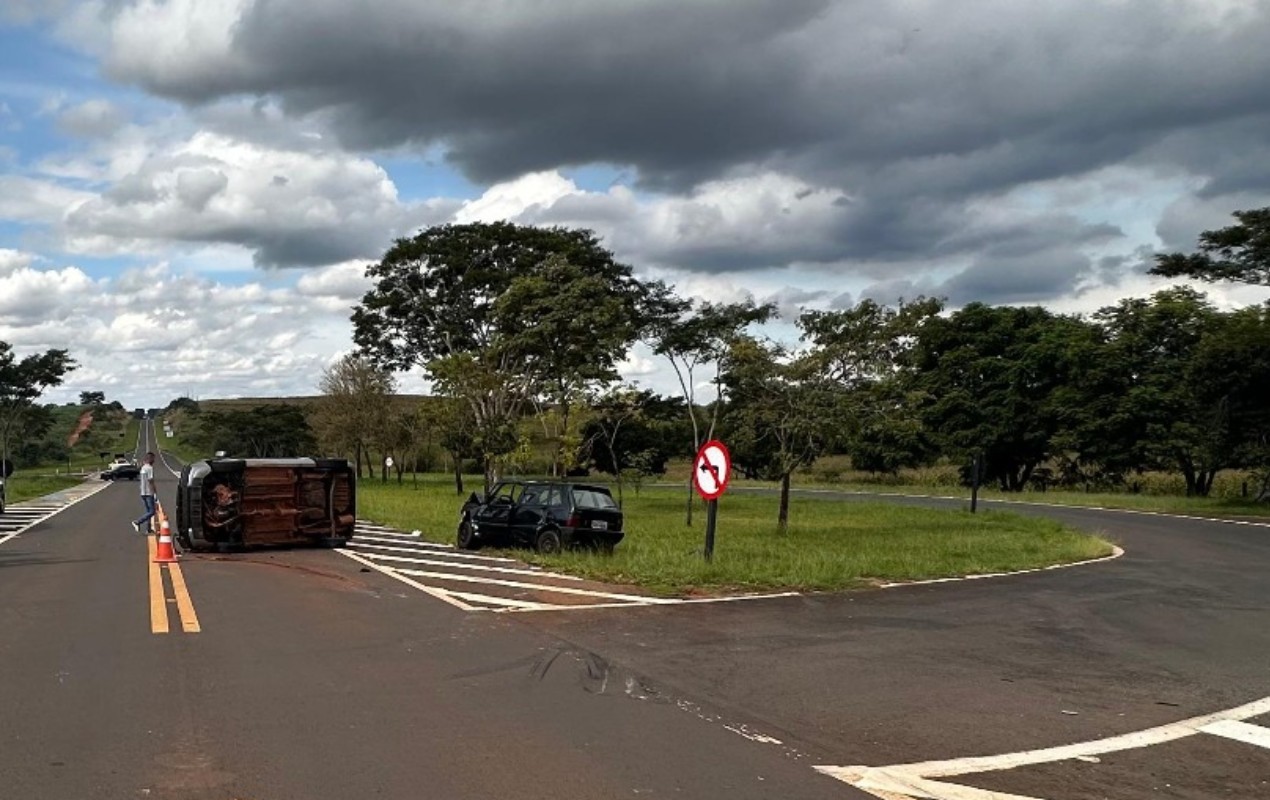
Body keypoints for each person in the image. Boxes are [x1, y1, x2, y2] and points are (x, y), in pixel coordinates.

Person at [132, 452, 157, 533]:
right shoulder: (149, 468)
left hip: (143, 492)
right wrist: (154, 492)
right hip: (148, 493)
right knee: (152, 511)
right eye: (153, 458)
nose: (154, 460)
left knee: (148, 511)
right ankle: (138, 521)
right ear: (150, 459)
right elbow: (151, 481)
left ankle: (148, 529)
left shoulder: (143, 468)